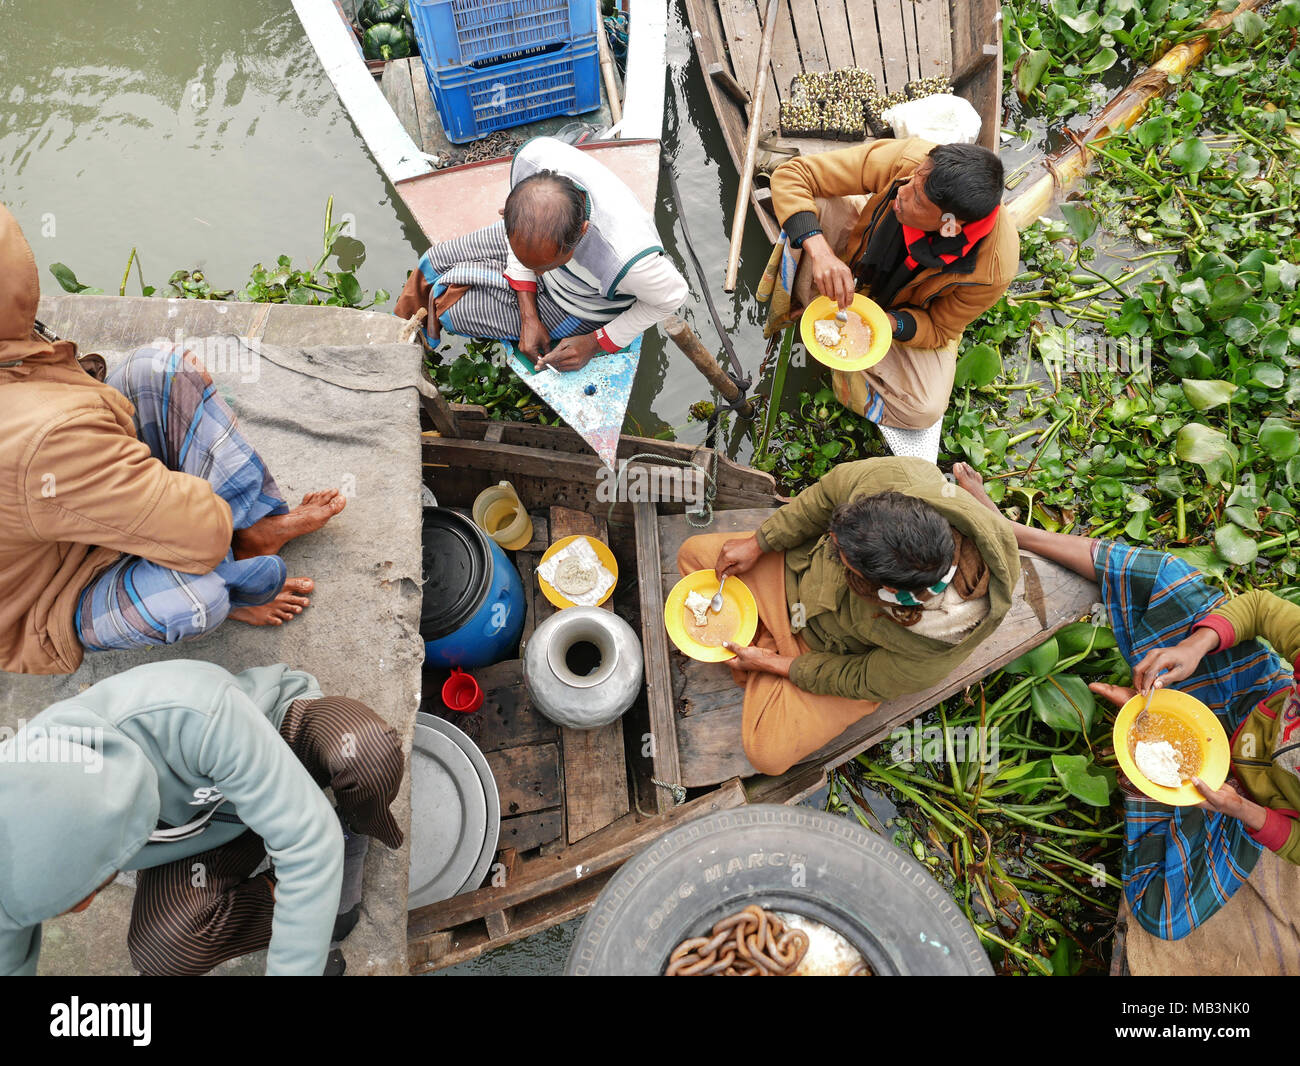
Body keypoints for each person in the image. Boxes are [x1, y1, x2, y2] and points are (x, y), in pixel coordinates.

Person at [950, 462, 1299, 962]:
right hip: (1247, 694)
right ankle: (1011, 530)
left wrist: (1244, 810)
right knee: (1171, 578)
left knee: (1165, 914)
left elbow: (1294, 842)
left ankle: (1144, 781)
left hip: (1237, 793)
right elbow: (1262, 608)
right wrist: (1198, 648)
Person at [0, 203, 345, 675]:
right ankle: (236, 586)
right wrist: (147, 482)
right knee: (196, 598)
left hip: (53, 509)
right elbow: (199, 533)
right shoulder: (40, 440)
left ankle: (255, 530)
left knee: (156, 368)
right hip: (44, 594)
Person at [0, 660, 405, 977]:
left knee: (365, 754)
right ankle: (290, 896)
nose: (86, 905)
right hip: (202, 834)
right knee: (164, 952)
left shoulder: (187, 711)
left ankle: (349, 832)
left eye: (80, 891)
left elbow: (307, 844)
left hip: (276, 746)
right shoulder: (16, 826)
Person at [676, 457, 1020, 776]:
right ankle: (761, 649)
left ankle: (762, 649)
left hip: (826, 652)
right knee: (694, 556)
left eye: (841, 553)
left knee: (768, 754)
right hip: (795, 578)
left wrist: (776, 665)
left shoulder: (938, 644)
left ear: (877, 587)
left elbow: (856, 678)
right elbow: (826, 495)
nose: (831, 539)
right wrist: (759, 543)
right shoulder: (900, 481)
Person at [767, 138, 1018, 430]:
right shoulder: (910, 163)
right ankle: (806, 301)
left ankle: (838, 356)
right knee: (813, 208)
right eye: (912, 181)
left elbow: (939, 328)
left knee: (924, 409)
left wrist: (882, 325)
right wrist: (821, 252)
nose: (902, 192)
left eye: (918, 200)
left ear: (950, 225)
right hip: (855, 254)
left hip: (905, 310)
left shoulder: (994, 268)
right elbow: (792, 175)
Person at [394, 136, 688, 372]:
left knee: (452, 310)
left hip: (581, 302)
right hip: (536, 241)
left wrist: (595, 343)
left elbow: (674, 296)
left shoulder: (627, 260)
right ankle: (397, 341)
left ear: (582, 233)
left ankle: (427, 340)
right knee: (433, 263)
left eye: (542, 268)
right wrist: (528, 316)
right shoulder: (533, 160)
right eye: (528, 266)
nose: (533, 273)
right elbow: (526, 253)